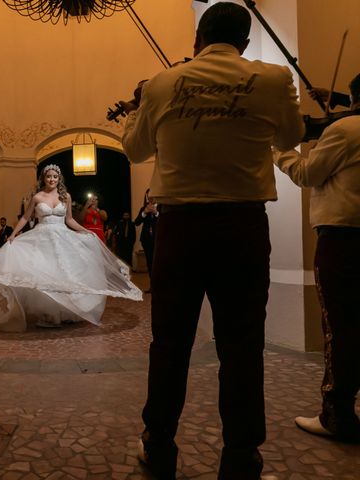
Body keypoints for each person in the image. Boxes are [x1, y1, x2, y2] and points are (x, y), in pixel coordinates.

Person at [120, 3, 304, 479]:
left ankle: (158, 444)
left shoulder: (162, 83)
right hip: (243, 228)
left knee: (169, 342)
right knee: (243, 345)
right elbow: (291, 134)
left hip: (180, 230)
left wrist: (141, 106)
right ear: (244, 42)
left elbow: (135, 149)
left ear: (198, 37)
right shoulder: (272, 79)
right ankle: (242, 455)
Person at [274, 73, 360, 443]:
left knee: (341, 327)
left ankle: (337, 415)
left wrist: (282, 152)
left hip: (345, 237)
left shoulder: (346, 131)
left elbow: (308, 174)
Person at [0, 164, 142, 331]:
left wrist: (86, 231)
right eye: (49, 177)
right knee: (45, 274)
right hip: (42, 238)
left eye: (55, 176)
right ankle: (49, 315)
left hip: (63, 237)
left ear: (59, 178)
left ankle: (67, 312)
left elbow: (69, 219)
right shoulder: (37, 197)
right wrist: (14, 234)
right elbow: (25, 217)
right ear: (44, 178)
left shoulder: (66, 196)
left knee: (66, 274)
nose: (52, 179)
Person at [134, 189, 159, 293]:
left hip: (158, 240)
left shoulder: (161, 208)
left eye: (151, 196)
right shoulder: (143, 209)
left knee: (158, 264)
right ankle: (152, 286)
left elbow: (164, 222)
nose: (149, 198)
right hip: (146, 241)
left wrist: (156, 213)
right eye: (148, 197)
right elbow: (136, 222)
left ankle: (160, 286)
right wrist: (144, 213)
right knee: (150, 264)